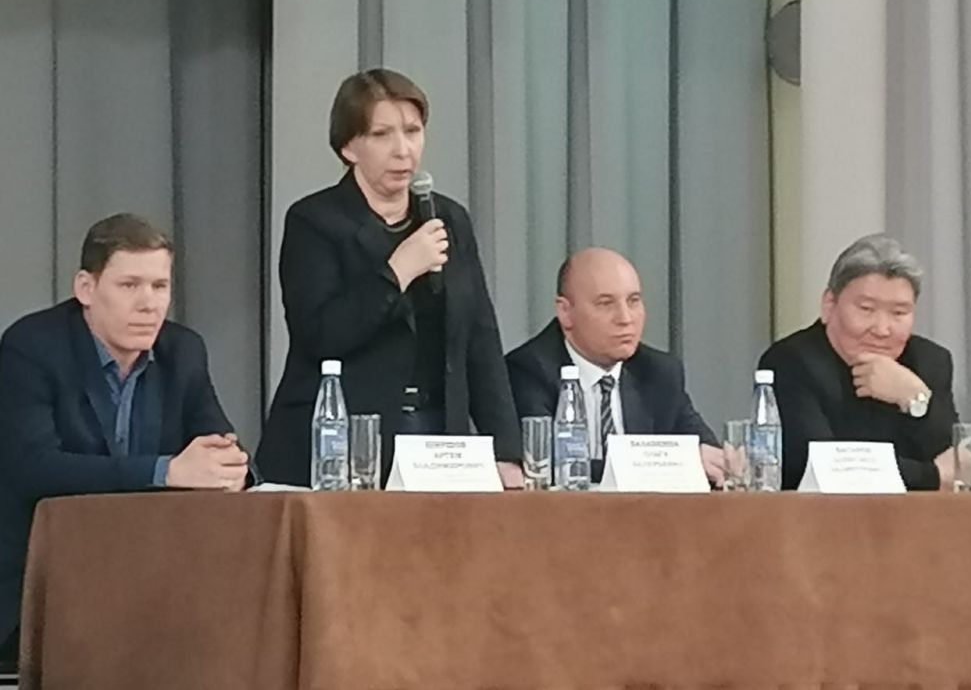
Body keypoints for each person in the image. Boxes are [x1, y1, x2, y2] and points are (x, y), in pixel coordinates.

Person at [0, 213, 250, 666]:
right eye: (129, 285)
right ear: (86, 288)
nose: (148, 304)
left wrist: (230, 470)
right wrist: (165, 471)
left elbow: (218, 443)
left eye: (160, 286)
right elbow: (34, 468)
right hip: (43, 577)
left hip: (148, 578)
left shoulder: (183, 350)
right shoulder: (32, 346)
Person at [256, 68, 523, 488]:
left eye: (413, 131)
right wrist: (396, 272)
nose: (403, 150)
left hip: (439, 439)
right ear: (349, 147)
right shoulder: (315, 221)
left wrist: (506, 449)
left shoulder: (448, 218)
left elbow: (479, 337)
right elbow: (320, 336)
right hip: (345, 439)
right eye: (382, 135)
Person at [505, 248, 723, 486]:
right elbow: (548, 465)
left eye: (633, 301)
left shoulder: (659, 372)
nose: (625, 318)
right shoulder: (527, 370)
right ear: (566, 312)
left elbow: (704, 449)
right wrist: (672, 464)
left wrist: (717, 460)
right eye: (606, 304)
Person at [759, 233, 958, 490]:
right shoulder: (790, 362)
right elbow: (822, 471)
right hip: (820, 514)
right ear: (829, 305)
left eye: (899, 313)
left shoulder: (931, 360)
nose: (882, 329)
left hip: (920, 514)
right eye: (866, 309)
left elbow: (959, 462)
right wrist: (932, 476)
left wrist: (915, 399)